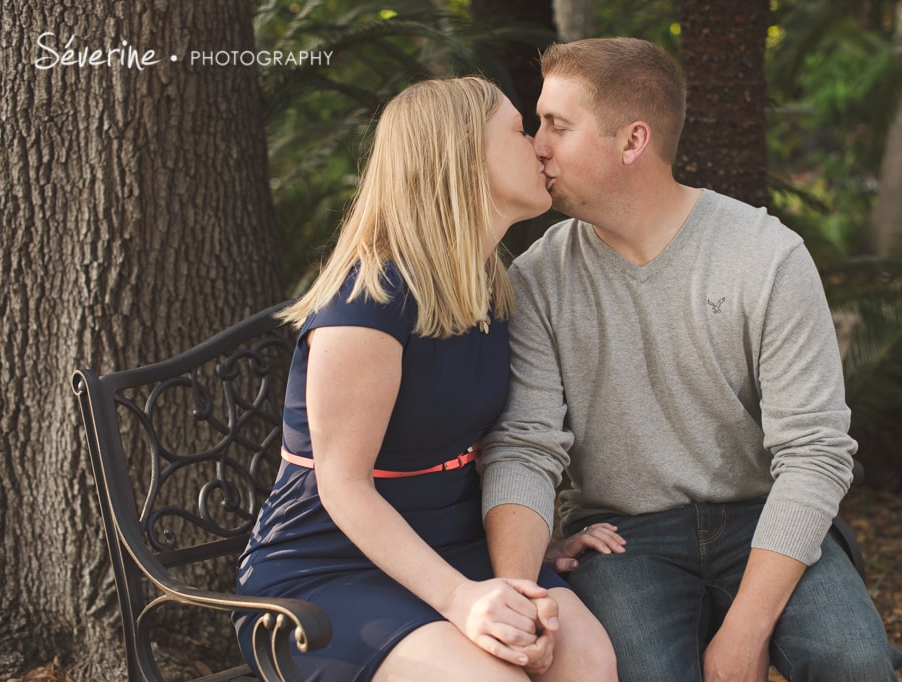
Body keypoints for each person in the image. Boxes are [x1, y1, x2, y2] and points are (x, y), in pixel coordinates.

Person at [478, 38, 902, 682]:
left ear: (632, 142)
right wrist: (521, 591)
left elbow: (815, 453)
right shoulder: (539, 278)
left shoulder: (767, 256)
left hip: (764, 516)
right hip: (624, 537)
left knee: (853, 662)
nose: (537, 145)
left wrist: (744, 635)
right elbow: (524, 448)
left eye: (557, 126)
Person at [234, 76, 616, 682]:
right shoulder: (368, 297)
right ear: (462, 157)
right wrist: (464, 600)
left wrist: (526, 549)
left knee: (586, 658)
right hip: (331, 567)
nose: (542, 148)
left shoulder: (490, 286)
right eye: (520, 131)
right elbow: (344, 485)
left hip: (458, 545)